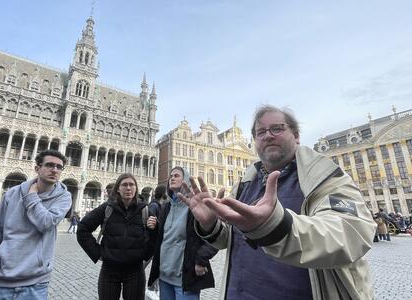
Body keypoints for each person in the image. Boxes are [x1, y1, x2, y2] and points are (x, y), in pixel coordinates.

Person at [180, 105, 376, 299]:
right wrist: (210, 225)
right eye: (261, 132)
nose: (268, 135)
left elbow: (351, 232)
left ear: (296, 135)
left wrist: (273, 226)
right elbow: (230, 239)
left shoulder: (325, 177)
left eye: (277, 128)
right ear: (255, 141)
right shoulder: (245, 184)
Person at [0, 150, 72, 299]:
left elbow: (45, 222)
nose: (54, 170)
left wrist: (31, 196)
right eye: (49, 165)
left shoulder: (64, 196)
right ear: (37, 168)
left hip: (36, 283)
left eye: (59, 167)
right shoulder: (12, 193)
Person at [77, 173, 158, 300]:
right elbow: (82, 229)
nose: (128, 188)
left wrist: (145, 253)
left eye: (132, 185)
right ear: (118, 189)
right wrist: (98, 253)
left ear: (136, 188)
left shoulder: (145, 210)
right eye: (124, 185)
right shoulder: (107, 208)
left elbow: (156, 236)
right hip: (109, 270)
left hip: (135, 271)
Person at [148, 166, 218, 300]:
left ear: (185, 179)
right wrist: (154, 228)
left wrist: (201, 260)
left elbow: (214, 237)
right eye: (171, 176)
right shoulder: (165, 207)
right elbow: (162, 238)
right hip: (164, 276)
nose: (172, 178)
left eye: (176, 175)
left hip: (185, 278)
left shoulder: (196, 205)